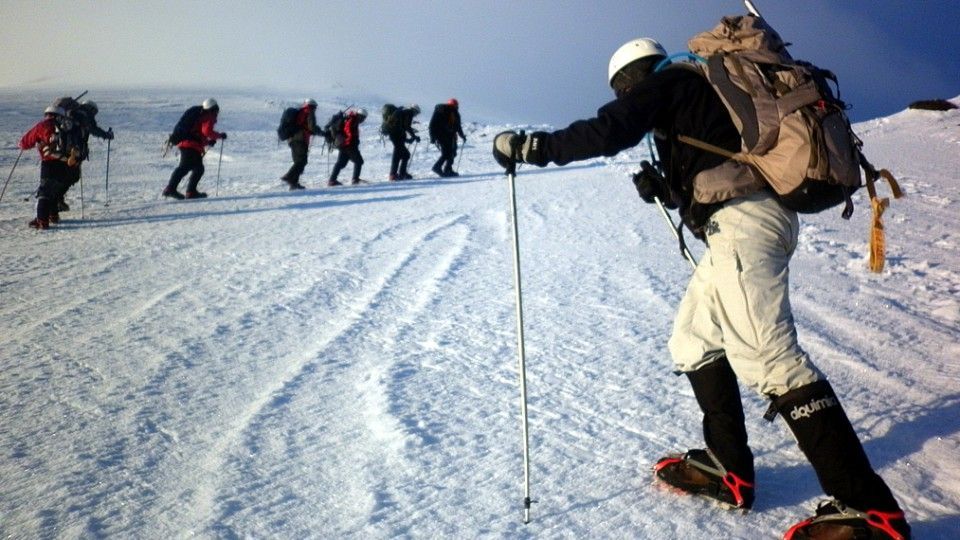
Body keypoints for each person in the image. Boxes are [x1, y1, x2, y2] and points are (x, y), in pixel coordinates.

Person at [492, 38, 910, 540]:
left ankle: (868, 509)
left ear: (632, 77)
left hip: (746, 225)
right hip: (737, 225)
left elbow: (611, 129)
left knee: (769, 358)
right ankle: (727, 466)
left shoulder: (673, 81)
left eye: (624, 87)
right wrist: (667, 191)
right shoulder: (698, 94)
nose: (626, 95)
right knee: (693, 340)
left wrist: (535, 147)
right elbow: (721, 170)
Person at [18, 105, 78, 229]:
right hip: (65, 163)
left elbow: (25, 142)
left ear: (48, 114)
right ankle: (53, 216)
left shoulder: (43, 125)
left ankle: (42, 220)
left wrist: (29, 145)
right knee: (55, 190)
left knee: (44, 192)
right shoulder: (68, 126)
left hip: (49, 163)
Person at [163, 98, 226, 199]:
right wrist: (220, 136)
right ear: (214, 108)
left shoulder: (199, 114)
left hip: (186, 143)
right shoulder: (209, 115)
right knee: (185, 167)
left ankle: (190, 192)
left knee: (197, 168)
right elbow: (206, 132)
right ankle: (171, 189)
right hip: (190, 146)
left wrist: (208, 142)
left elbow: (198, 134)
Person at [59, 100, 114, 211]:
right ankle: (57, 199)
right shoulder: (84, 115)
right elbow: (93, 129)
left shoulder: (71, 114)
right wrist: (106, 135)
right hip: (76, 151)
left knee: (64, 175)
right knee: (72, 176)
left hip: (63, 149)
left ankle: (57, 199)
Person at [281, 98, 320, 190]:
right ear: (312, 106)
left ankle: (293, 183)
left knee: (298, 161)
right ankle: (289, 176)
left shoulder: (301, 111)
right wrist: (320, 132)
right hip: (301, 139)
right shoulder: (309, 112)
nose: (315, 109)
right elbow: (312, 127)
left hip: (292, 139)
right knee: (302, 161)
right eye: (315, 107)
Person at [327, 107, 367, 186]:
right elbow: (348, 131)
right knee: (359, 161)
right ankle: (355, 179)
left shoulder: (351, 118)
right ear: (360, 115)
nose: (363, 120)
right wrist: (352, 140)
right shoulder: (352, 120)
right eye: (363, 118)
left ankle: (332, 180)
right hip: (348, 145)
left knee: (341, 163)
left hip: (343, 144)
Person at [429, 98, 466, 177]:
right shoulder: (452, 113)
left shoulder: (442, 110)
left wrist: (432, 136)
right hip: (445, 136)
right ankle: (438, 167)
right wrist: (462, 136)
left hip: (444, 136)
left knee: (451, 153)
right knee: (448, 153)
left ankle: (447, 169)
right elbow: (458, 126)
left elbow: (432, 124)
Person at [385, 104, 421, 181]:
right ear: (414, 110)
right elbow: (407, 126)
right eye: (416, 113)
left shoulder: (403, 111)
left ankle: (400, 173)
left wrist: (410, 138)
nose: (415, 115)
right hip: (396, 135)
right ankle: (394, 174)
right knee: (403, 155)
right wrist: (414, 137)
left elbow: (404, 126)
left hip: (395, 134)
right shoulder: (409, 112)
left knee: (402, 155)